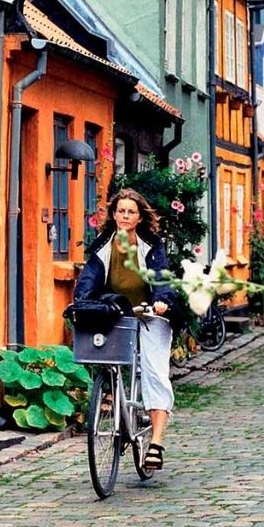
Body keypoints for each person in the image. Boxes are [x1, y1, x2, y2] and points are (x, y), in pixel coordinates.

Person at [74, 188, 178, 470]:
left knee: (155, 373)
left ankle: (155, 443)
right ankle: (112, 400)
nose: (125, 215)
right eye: (121, 210)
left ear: (140, 216)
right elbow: (90, 278)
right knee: (103, 356)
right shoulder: (103, 245)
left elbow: (161, 277)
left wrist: (162, 301)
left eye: (131, 211)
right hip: (117, 313)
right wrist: (82, 301)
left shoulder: (151, 244)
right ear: (114, 214)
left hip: (151, 314)